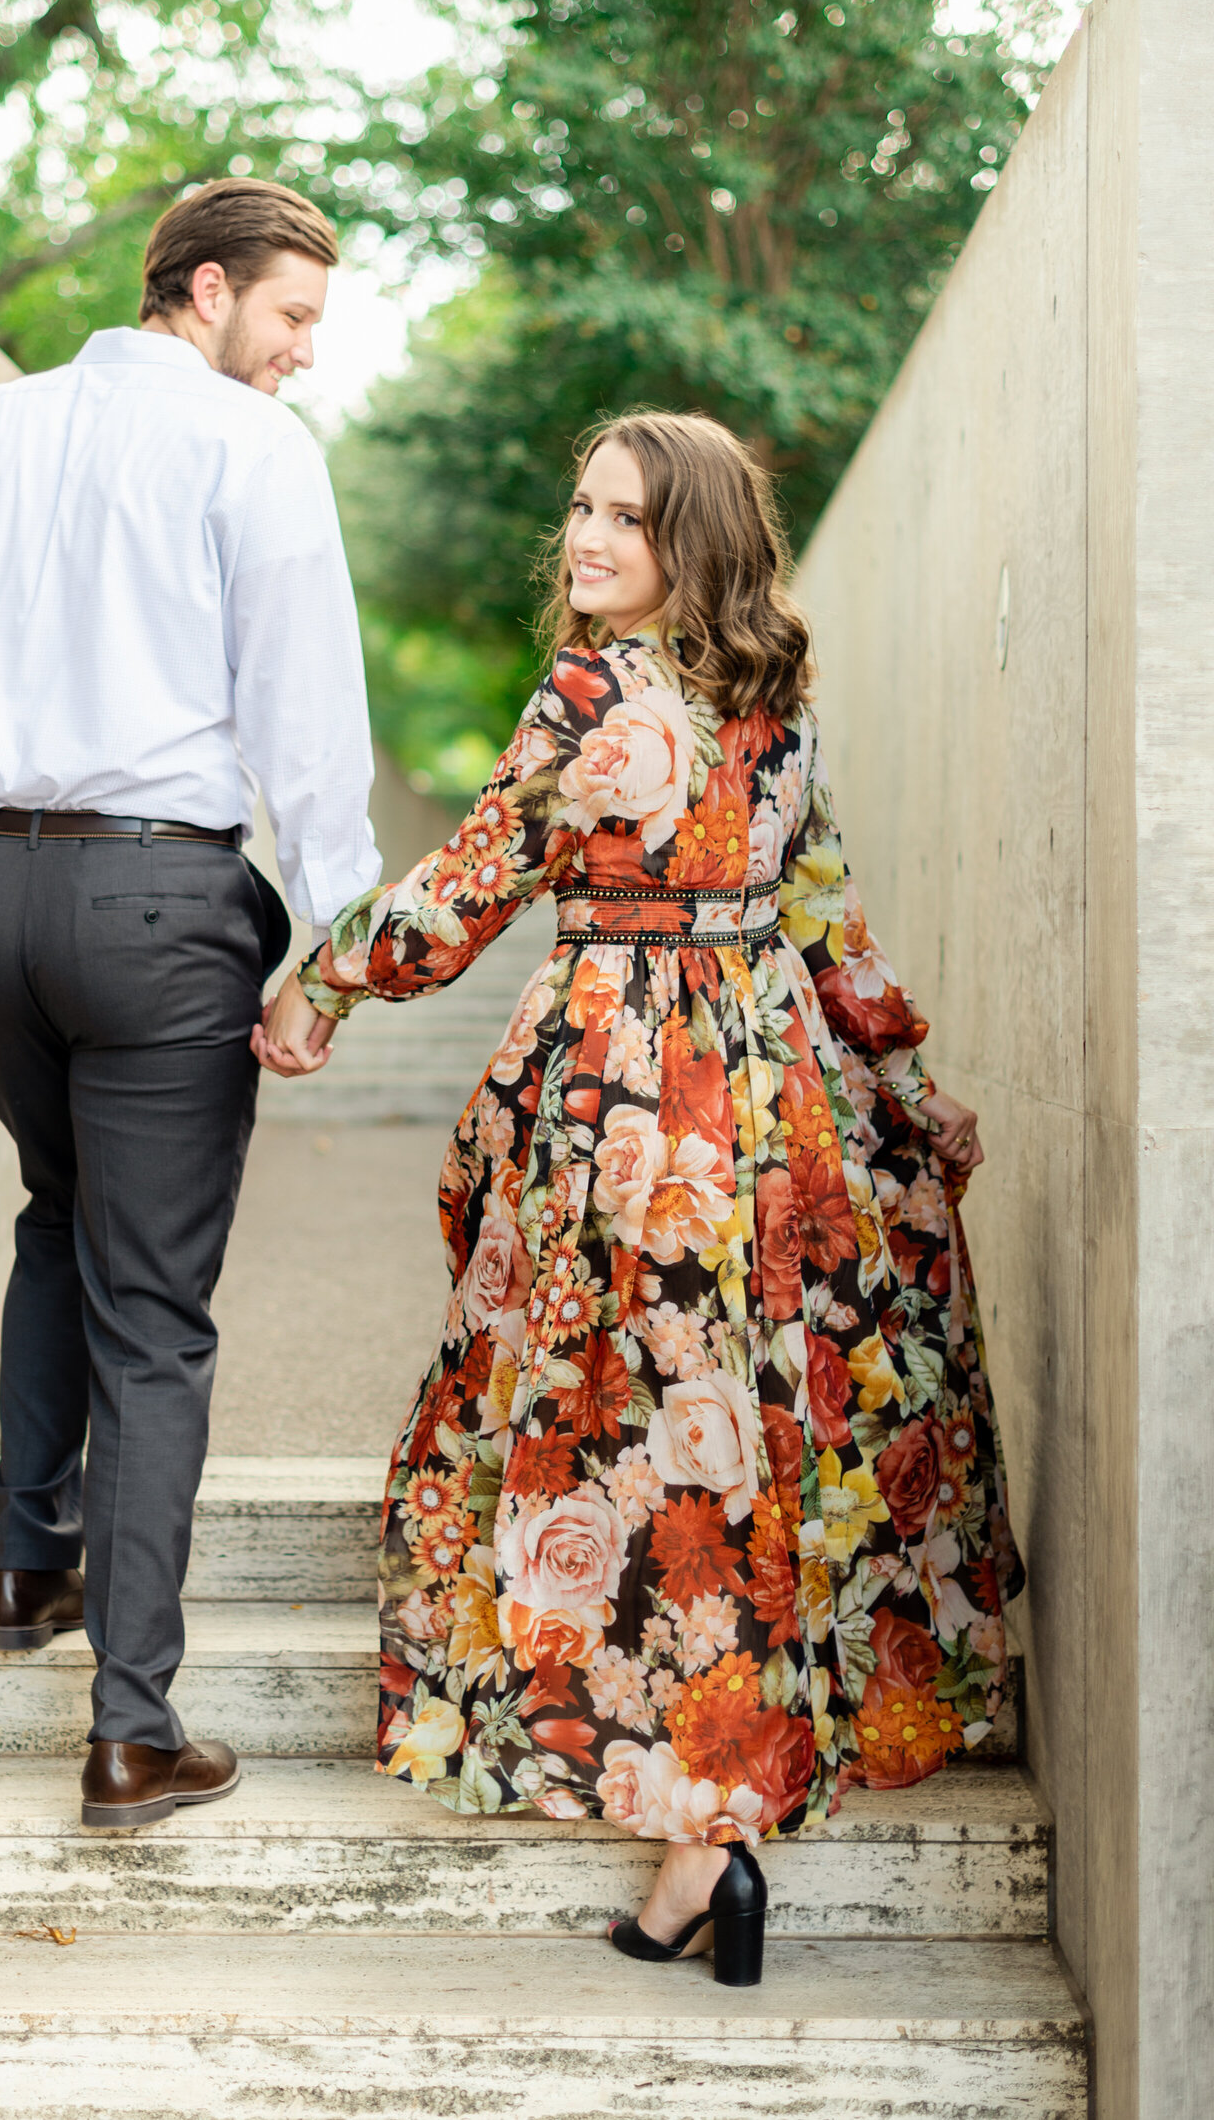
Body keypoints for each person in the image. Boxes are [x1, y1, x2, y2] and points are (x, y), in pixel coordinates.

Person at [258, 409, 1023, 1985]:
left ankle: (705, 1824)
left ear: (700, 540)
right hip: (766, 1093)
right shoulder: (774, 696)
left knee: (640, 1438)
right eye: (586, 511)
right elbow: (825, 913)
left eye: (631, 519)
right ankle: (718, 1816)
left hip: (630, 1108)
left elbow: (478, 876)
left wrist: (327, 979)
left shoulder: (595, 690)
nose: (591, 540)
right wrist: (893, 1076)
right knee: (729, 1431)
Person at [0, 178, 379, 1827]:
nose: (300, 358)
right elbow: (303, 707)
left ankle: (21, 1559)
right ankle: (132, 1726)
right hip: (150, 902)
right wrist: (332, 947)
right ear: (202, 291)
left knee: (62, 1208)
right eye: (289, 319)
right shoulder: (247, 449)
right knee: (155, 1303)